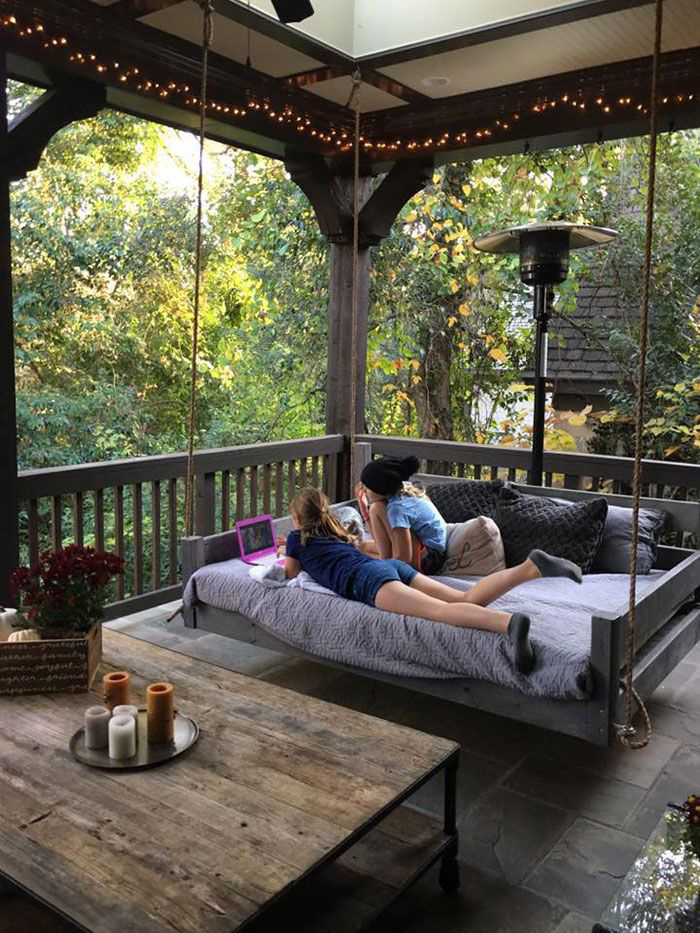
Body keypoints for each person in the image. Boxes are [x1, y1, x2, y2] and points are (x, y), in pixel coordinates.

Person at [283, 487, 583, 675]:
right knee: (463, 600)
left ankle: (507, 623)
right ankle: (529, 567)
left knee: (440, 614)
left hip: (366, 581)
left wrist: (287, 549)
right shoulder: (336, 534)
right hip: (388, 568)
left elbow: (291, 573)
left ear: (297, 517)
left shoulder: (298, 539)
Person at [356, 455, 447, 573]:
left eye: (367, 488)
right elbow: (379, 540)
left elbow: (404, 558)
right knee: (362, 548)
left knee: (375, 508)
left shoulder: (397, 509)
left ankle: (386, 566)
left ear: (381, 489)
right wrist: (364, 509)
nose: (363, 490)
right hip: (421, 551)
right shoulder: (396, 495)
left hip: (429, 557)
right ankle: (386, 562)